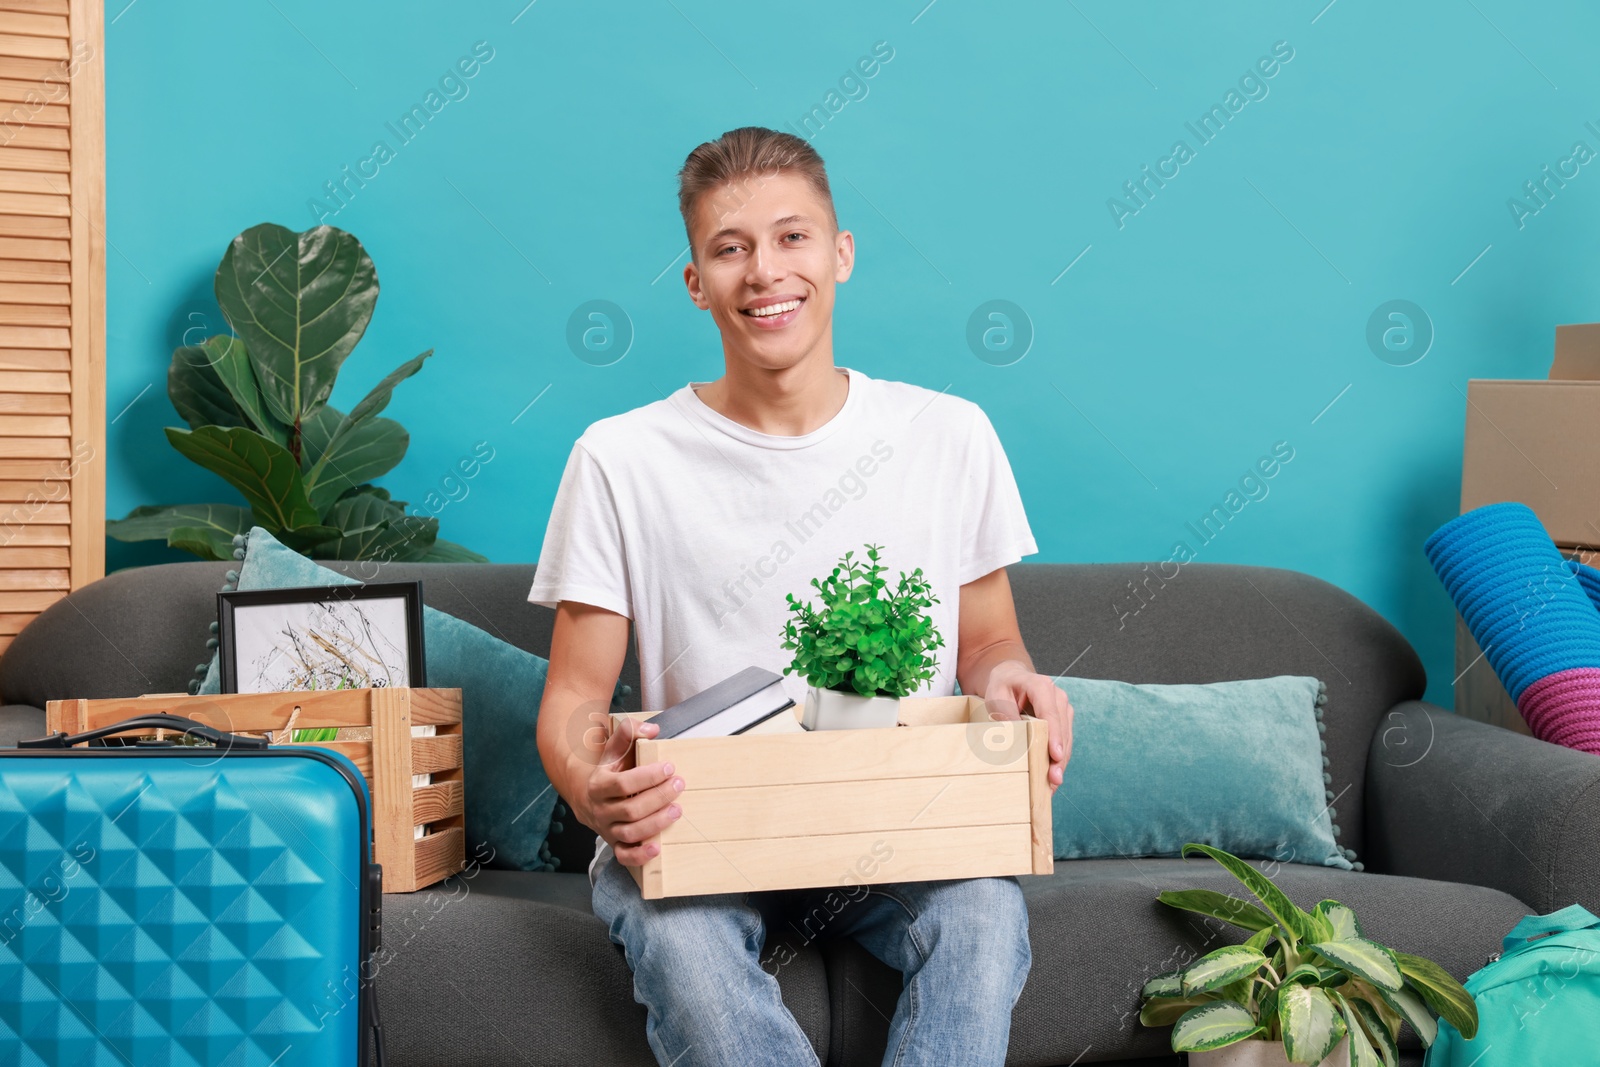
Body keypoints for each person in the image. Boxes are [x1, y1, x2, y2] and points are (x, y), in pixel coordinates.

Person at [530, 126, 1074, 1067]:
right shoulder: (619, 458)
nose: (765, 272)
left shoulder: (948, 435)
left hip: (897, 830)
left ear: (841, 253)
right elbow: (575, 703)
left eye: (792, 238)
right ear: (696, 280)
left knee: (984, 914)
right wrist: (593, 784)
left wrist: (1013, 687)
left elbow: (989, 646)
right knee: (683, 944)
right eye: (729, 248)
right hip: (702, 830)